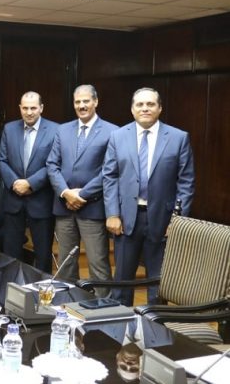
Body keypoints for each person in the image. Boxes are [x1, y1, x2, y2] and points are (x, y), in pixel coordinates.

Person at [103, 87, 194, 305]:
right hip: (125, 220)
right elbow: (109, 177)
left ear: (160, 108)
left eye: (150, 104)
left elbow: (186, 182)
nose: (145, 108)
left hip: (163, 220)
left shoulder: (178, 138)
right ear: (132, 109)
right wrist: (112, 213)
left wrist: (177, 221)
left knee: (159, 284)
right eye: (140, 104)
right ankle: (121, 323)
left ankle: (156, 325)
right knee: (122, 282)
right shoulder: (117, 137)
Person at [46, 84, 117, 297]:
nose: (82, 105)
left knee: (98, 264)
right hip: (64, 207)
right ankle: (67, 304)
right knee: (65, 263)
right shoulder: (62, 130)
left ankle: (103, 308)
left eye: (86, 101)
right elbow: (52, 164)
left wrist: (82, 194)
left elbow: (109, 170)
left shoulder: (112, 131)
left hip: (92, 208)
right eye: (77, 102)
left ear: (96, 102)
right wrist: (66, 192)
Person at [0, 92, 59, 272]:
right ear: (20, 108)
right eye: (25, 108)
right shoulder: (9, 129)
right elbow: (1, 160)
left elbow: (54, 163)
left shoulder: (55, 130)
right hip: (13, 200)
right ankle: (11, 286)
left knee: (42, 255)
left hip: (41, 201)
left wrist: (31, 183)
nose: (29, 112)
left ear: (41, 108)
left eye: (33, 108)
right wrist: (15, 182)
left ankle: (42, 289)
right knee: (10, 254)